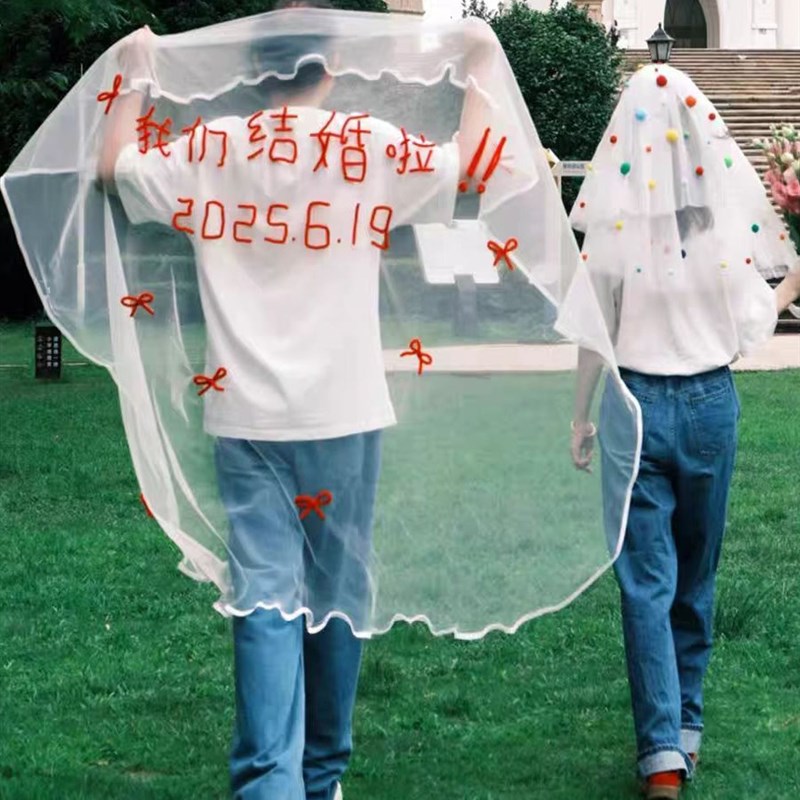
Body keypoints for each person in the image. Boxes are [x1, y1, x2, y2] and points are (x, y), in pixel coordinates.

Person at [98, 3, 492, 798]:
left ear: (254, 71)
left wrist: (133, 75)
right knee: (338, 595)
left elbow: (111, 168)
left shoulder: (212, 147)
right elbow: (476, 164)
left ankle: (270, 782)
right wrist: (480, 60)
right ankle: (321, 774)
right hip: (345, 409)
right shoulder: (366, 144)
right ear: (332, 69)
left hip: (245, 414)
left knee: (265, 600)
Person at [565, 63, 796, 800]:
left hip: (631, 402)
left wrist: (580, 413)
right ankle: (683, 725)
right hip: (708, 404)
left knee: (645, 583)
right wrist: (792, 284)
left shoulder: (614, 226)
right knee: (696, 575)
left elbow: (594, 331)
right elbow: (752, 321)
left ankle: (663, 751)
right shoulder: (720, 223)